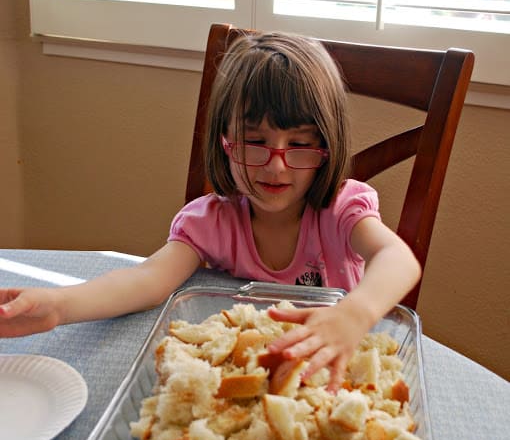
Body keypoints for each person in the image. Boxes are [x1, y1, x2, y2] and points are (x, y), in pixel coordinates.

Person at [0, 30, 421, 383]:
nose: (275, 165)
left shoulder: (340, 210)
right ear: (223, 140)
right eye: (255, 141)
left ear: (327, 149)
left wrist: (354, 315)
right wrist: (58, 306)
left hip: (330, 370)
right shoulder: (211, 222)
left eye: (299, 144)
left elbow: (398, 259)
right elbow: (146, 280)